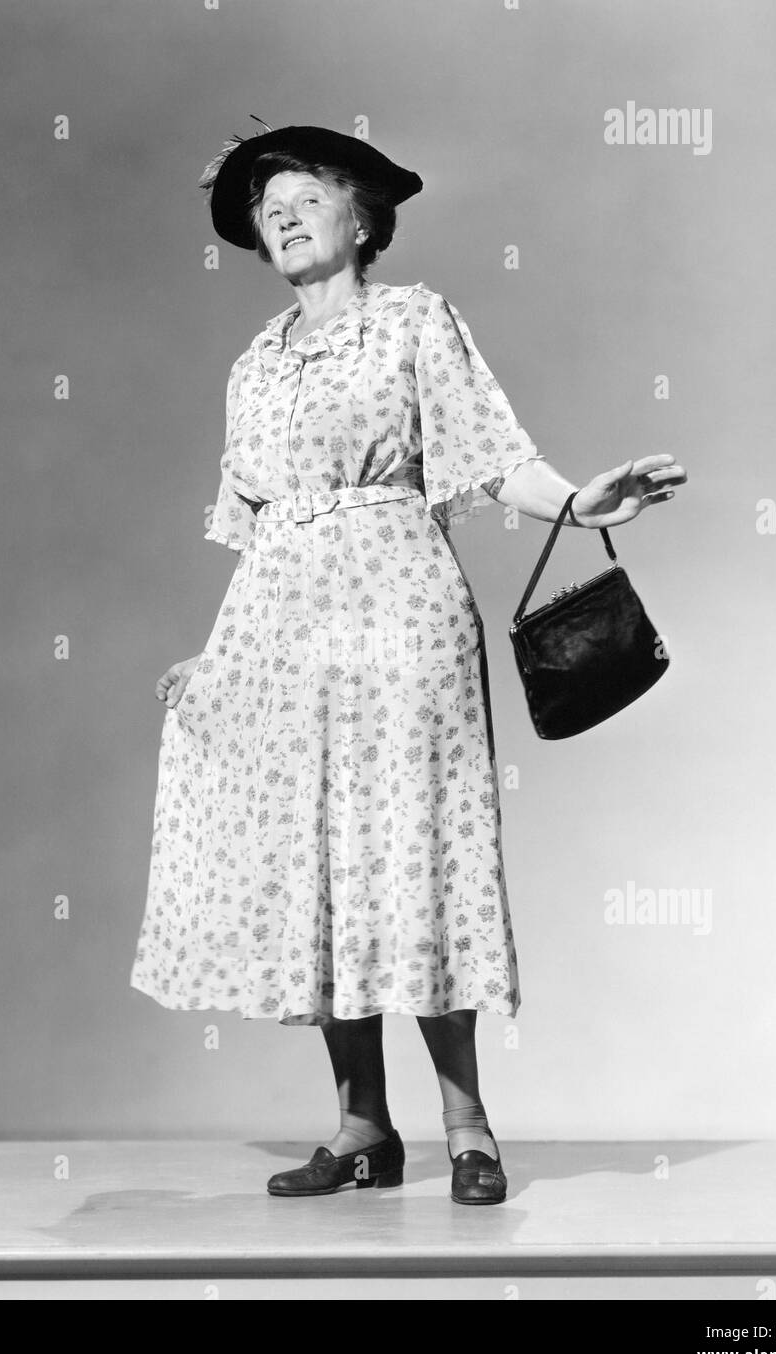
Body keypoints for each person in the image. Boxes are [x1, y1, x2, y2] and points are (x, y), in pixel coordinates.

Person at [130, 122, 686, 1204]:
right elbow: (256, 533)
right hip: (283, 637)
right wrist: (217, 656)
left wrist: (576, 503)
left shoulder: (413, 322)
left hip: (402, 619)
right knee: (318, 867)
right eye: (264, 207)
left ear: (361, 215)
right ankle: (361, 1127)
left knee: (417, 856)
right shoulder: (252, 366)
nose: (281, 216)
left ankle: (467, 1125)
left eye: (303, 196)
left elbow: (493, 457)